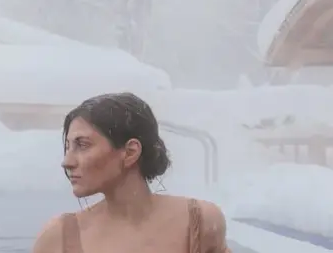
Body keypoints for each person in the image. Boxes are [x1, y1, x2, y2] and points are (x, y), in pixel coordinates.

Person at [32, 92, 230, 253]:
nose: (67, 162)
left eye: (82, 145)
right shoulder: (59, 238)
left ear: (130, 152)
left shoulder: (198, 222)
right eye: (68, 147)